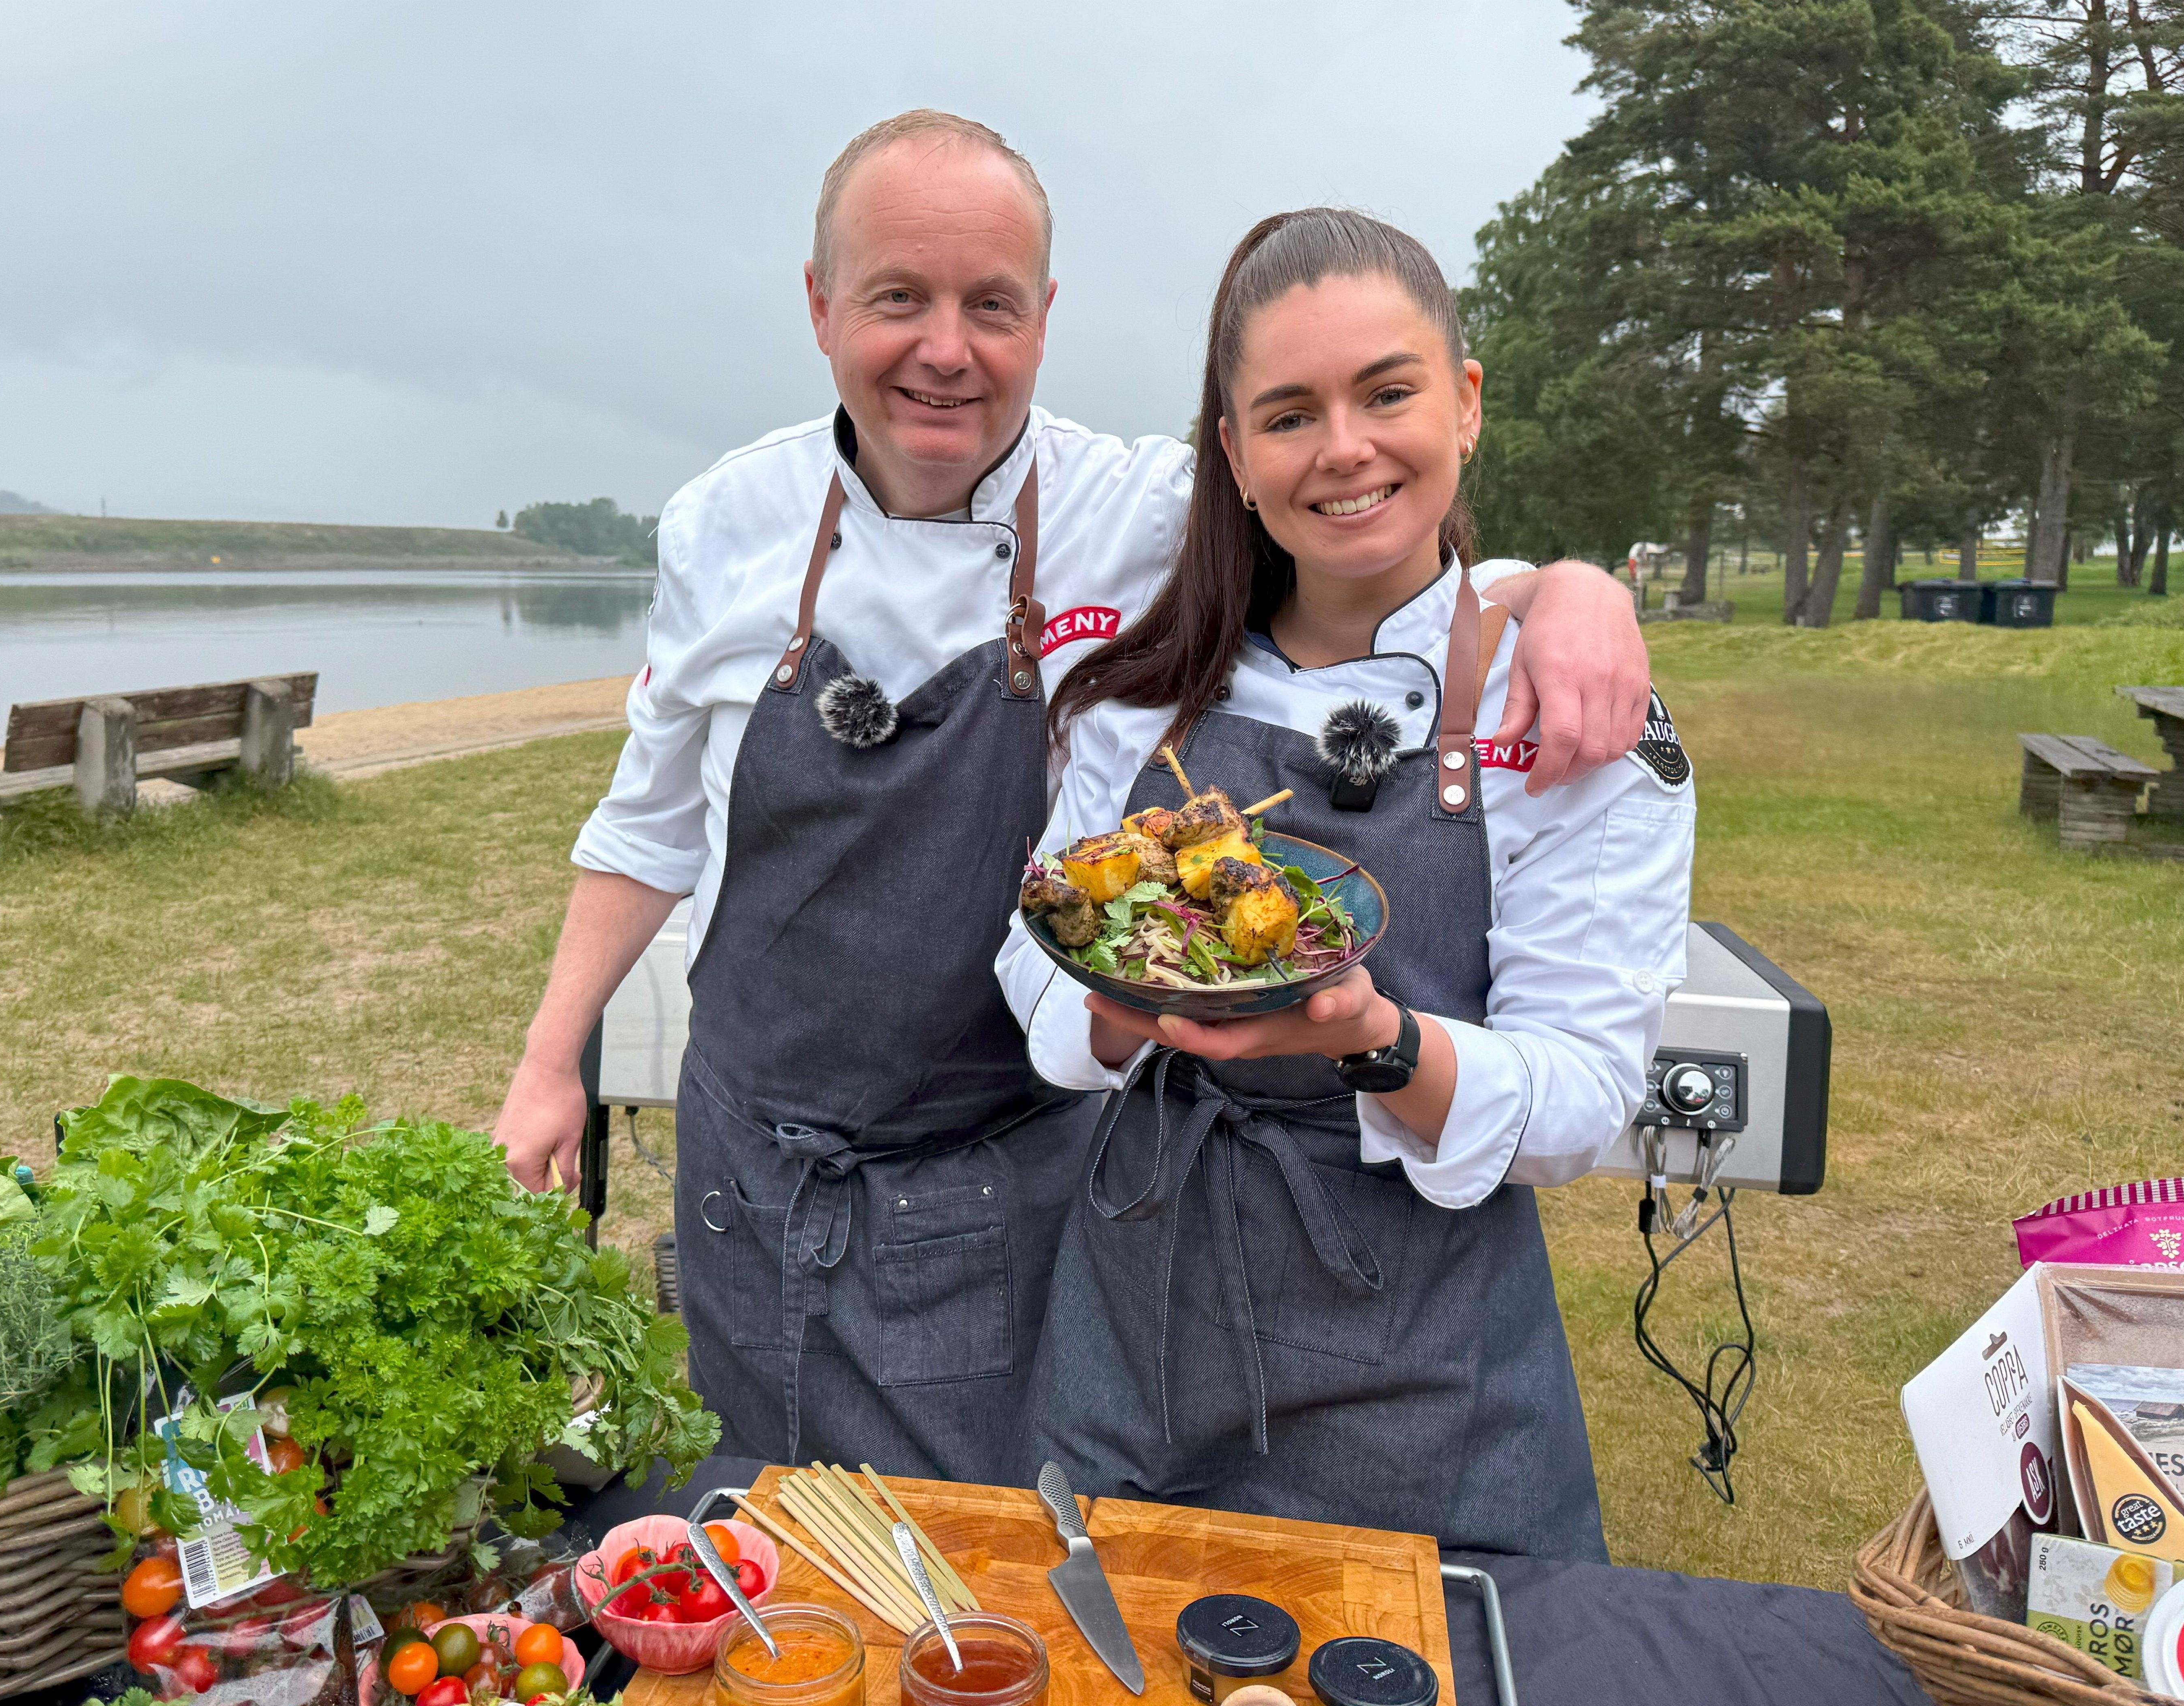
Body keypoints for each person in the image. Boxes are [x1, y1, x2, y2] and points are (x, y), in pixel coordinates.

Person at [491, 112, 1655, 1486]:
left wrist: (1565, 594)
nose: (946, 350)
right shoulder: (720, 526)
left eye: (991, 305)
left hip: (996, 1165)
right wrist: (550, 1055)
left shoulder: (1142, 508)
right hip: (750, 1150)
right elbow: (652, 818)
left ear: (1044, 319)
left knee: (971, 1569)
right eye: (897, 301)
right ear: (819, 309)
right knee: (761, 1528)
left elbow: (1360, 531)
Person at [997, 209, 1694, 1556]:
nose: (1346, 449)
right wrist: (1114, 1008)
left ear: (1467, 402)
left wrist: (1377, 1045)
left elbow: (1582, 1096)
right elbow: (1035, 958)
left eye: (1388, 392)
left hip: (1425, 1351)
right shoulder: (1135, 700)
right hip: (1140, 1312)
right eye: (1289, 414)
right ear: (1236, 459)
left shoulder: (1572, 714)